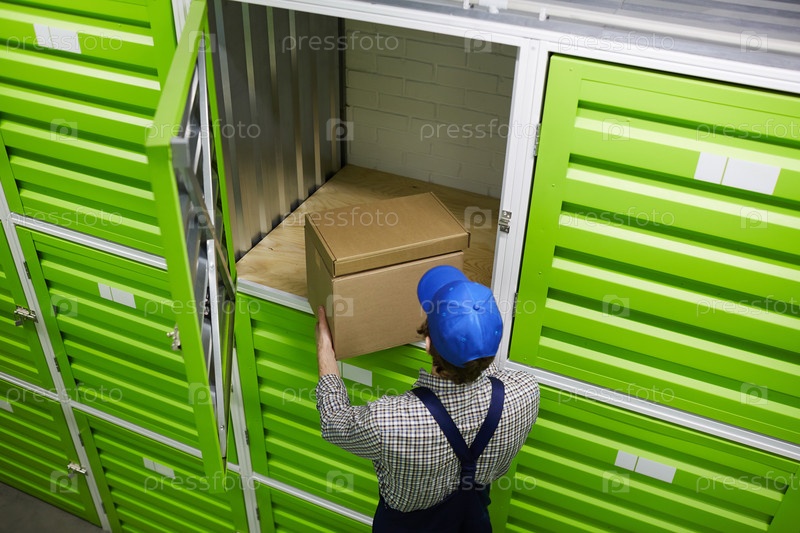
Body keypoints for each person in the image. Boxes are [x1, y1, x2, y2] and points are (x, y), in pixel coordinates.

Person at [315, 265, 539, 532]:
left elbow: (333, 422)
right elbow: (484, 370)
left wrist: (324, 350)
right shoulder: (525, 392)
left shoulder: (388, 422)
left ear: (428, 344)